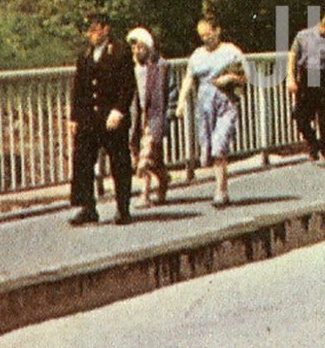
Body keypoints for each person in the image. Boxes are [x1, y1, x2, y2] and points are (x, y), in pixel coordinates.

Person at [68, 13, 137, 226]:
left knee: (119, 161)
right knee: (83, 160)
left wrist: (119, 110)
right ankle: (88, 207)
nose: (91, 34)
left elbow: (128, 85)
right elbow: (79, 88)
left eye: (94, 29)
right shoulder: (85, 54)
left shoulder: (120, 51)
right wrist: (74, 117)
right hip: (89, 118)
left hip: (111, 116)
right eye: (88, 30)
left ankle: (123, 208)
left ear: (106, 29)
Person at [178, 15, 247, 207]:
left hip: (225, 103)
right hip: (205, 106)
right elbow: (189, 78)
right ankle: (220, 185)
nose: (206, 39)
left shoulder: (231, 51)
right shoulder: (197, 55)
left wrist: (230, 78)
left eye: (208, 34)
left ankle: (220, 191)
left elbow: (245, 77)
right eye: (202, 36)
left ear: (217, 31)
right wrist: (182, 102)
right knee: (208, 149)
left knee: (219, 146)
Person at [126, 26, 172, 208]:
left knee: (145, 159)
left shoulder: (161, 66)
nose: (137, 51)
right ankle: (163, 178)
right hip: (137, 117)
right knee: (148, 157)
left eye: (141, 47)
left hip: (154, 116)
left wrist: (169, 114)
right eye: (134, 47)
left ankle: (144, 194)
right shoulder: (129, 68)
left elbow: (171, 92)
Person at [288, 9, 325, 163]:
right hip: (307, 74)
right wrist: (291, 78)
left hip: (324, 76)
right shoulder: (303, 35)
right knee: (300, 115)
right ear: (323, 26)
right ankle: (313, 142)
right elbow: (292, 57)